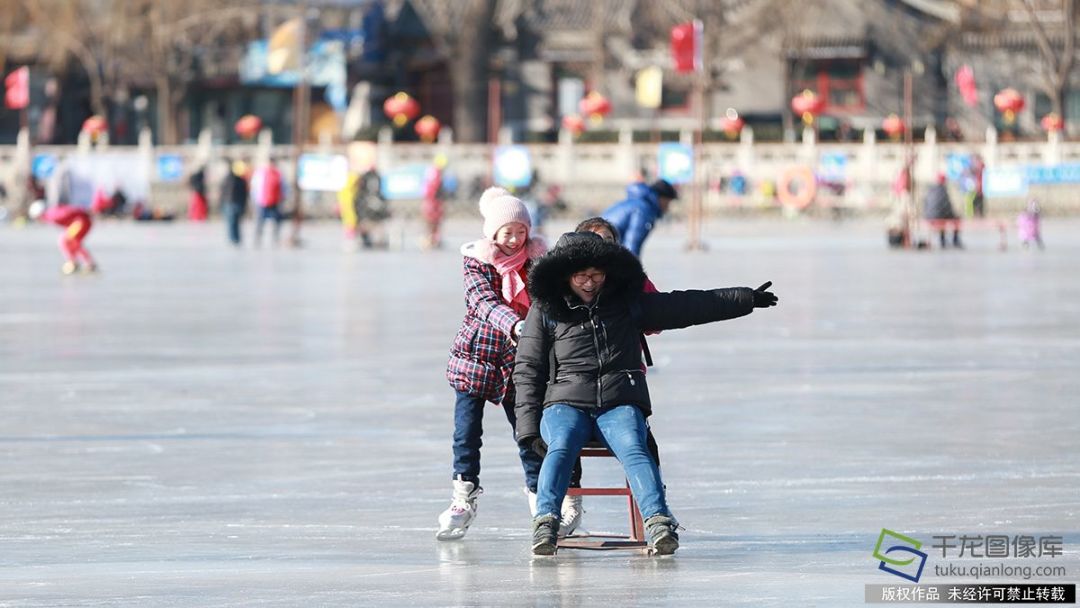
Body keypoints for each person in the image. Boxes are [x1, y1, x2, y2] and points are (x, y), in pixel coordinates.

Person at [512, 232, 779, 555]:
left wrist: (745, 298)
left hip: (619, 400)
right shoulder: (545, 311)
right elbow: (527, 369)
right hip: (565, 402)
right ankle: (546, 522)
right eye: (581, 276)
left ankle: (658, 521)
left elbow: (685, 306)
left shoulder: (626, 304)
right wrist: (527, 429)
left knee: (634, 447)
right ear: (565, 276)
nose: (589, 283)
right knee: (562, 445)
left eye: (596, 275)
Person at [438, 187, 549, 541]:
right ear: (493, 233)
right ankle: (463, 494)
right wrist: (517, 324)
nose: (515, 239)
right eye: (507, 232)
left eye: (521, 231)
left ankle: (542, 501)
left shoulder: (538, 262)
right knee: (466, 433)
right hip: (477, 357)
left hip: (522, 361)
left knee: (529, 433)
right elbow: (483, 301)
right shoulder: (476, 260)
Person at [601, 179, 678, 257]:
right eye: (668, 202)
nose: (668, 208)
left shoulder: (637, 203)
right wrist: (633, 267)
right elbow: (632, 244)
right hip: (604, 249)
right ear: (661, 198)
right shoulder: (643, 210)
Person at [28, 201, 98, 274]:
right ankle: (78, 262)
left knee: (66, 241)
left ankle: (81, 263)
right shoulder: (50, 214)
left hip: (81, 222)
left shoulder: (51, 215)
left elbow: (69, 211)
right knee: (70, 242)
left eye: (36, 218)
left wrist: (84, 211)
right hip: (81, 221)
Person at [923, 173, 962, 249]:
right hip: (939, 215)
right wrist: (953, 214)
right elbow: (946, 207)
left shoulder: (930, 189)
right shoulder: (943, 190)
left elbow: (925, 203)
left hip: (929, 216)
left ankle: (943, 240)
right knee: (955, 219)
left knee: (943, 218)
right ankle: (955, 240)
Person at [250, 159, 284, 247]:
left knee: (275, 221)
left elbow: (283, 187)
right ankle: (259, 238)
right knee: (261, 222)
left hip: (272, 201)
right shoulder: (262, 173)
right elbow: (255, 187)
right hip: (264, 201)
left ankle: (274, 238)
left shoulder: (277, 174)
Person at [221, 159, 249, 247]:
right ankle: (234, 238)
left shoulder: (238, 179)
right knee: (232, 222)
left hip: (233, 203)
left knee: (235, 222)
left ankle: (235, 238)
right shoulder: (231, 179)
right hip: (231, 203)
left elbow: (245, 193)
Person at [421, 155, 447, 250]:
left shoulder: (432, 172)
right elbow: (433, 189)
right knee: (432, 222)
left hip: (431, 201)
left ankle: (433, 239)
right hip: (433, 202)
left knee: (433, 222)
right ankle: (430, 239)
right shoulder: (435, 174)